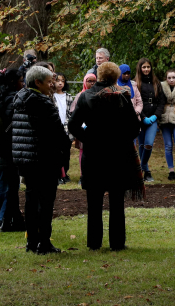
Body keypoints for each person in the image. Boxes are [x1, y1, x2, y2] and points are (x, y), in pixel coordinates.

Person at [68, 62, 143, 251]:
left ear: (100, 75)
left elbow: (74, 125)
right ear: (115, 76)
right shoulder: (123, 96)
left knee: (94, 201)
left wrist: (88, 135)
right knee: (117, 201)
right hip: (118, 154)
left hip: (93, 153)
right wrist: (122, 138)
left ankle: (94, 243)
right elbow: (134, 127)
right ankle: (117, 243)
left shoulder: (86, 96)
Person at [12, 66, 71, 254]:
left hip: (26, 158)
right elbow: (58, 133)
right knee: (46, 203)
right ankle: (44, 242)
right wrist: (65, 147)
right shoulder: (43, 103)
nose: (52, 84)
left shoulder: (20, 98)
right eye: (48, 81)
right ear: (38, 83)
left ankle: (31, 242)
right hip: (44, 158)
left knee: (31, 200)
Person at [0, 69, 25, 231]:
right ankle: (4, 219)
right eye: (21, 80)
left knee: (4, 183)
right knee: (10, 185)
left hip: (1, 147)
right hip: (9, 147)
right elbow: (15, 123)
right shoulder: (12, 99)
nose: (23, 83)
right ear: (13, 82)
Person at [134, 58, 165, 182]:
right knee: (141, 144)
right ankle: (146, 171)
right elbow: (135, 101)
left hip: (153, 118)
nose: (146, 69)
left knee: (148, 144)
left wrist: (155, 116)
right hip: (140, 118)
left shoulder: (157, 83)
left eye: (148, 67)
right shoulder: (135, 83)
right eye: (144, 67)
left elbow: (162, 101)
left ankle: (141, 167)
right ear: (140, 69)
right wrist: (142, 116)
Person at [70, 73, 97, 187]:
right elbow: (73, 112)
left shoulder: (98, 95)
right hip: (82, 129)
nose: (91, 83)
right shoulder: (80, 96)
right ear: (84, 82)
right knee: (82, 152)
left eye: (93, 81)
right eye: (89, 81)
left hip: (94, 131)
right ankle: (83, 175)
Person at [53, 73, 75, 185]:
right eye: (58, 80)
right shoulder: (51, 96)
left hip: (66, 129)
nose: (60, 83)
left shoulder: (68, 96)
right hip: (55, 129)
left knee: (66, 153)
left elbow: (71, 113)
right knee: (57, 153)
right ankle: (58, 175)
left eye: (62, 81)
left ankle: (65, 173)